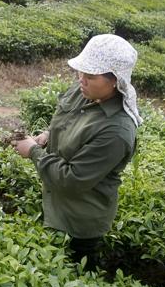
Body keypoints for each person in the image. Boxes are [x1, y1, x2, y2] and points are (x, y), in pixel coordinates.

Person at [13, 34, 141, 261]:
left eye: (90, 75)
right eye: (81, 71)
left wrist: (33, 151)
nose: (81, 79)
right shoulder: (84, 91)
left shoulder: (116, 132)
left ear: (115, 80)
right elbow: (68, 123)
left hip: (77, 223)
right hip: (53, 203)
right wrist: (48, 136)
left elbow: (72, 180)